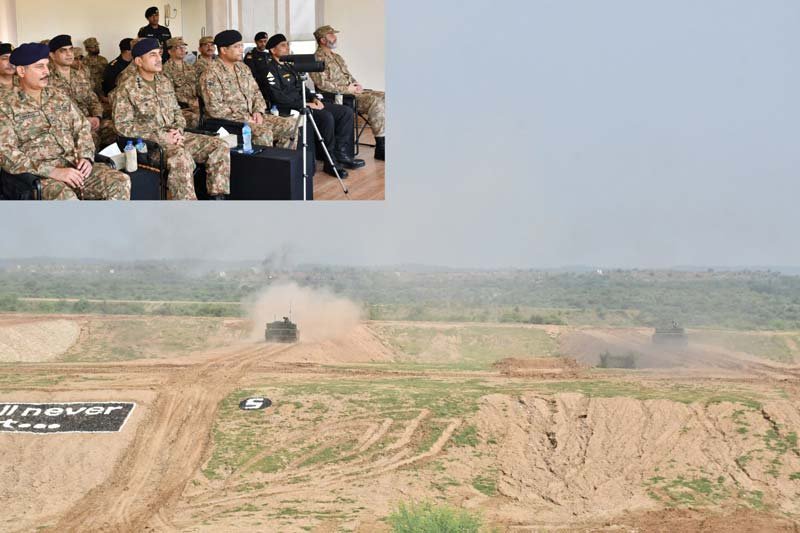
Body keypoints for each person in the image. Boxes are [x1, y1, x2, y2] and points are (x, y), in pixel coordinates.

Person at [0, 43, 130, 200]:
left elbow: (81, 127)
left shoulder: (58, 96)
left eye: (47, 66)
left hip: (74, 165)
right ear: (21, 71)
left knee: (120, 181)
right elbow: (6, 153)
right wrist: (52, 171)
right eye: (39, 67)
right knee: (66, 198)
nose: (46, 71)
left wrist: (86, 158)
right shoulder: (5, 105)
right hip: (41, 176)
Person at [113, 39, 231, 201]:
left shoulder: (164, 81)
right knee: (180, 158)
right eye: (152, 55)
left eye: (159, 54)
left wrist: (178, 130)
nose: (158, 58)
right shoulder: (127, 87)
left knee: (219, 145)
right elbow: (122, 127)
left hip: (176, 136)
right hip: (150, 146)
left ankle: (217, 197)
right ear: (139, 61)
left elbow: (177, 112)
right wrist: (162, 137)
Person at [265, 34, 364, 177]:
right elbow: (278, 97)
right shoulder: (270, 70)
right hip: (289, 108)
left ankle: (341, 153)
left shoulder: (290, 66)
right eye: (283, 45)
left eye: (287, 44)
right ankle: (330, 163)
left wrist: (314, 98)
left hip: (306, 102)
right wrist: (306, 103)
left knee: (345, 112)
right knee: (326, 117)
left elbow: (303, 88)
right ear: (273, 50)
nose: (287, 47)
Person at [200, 30, 297, 148]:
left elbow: (256, 92)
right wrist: (246, 118)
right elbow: (215, 108)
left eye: (241, 45)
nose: (241, 49)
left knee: (290, 125)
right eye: (236, 46)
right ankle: (266, 165)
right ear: (223, 50)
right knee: (263, 132)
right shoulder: (211, 73)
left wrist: (258, 111)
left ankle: (284, 163)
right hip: (229, 122)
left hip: (252, 117)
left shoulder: (243, 68)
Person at [311, 25, 385, 161]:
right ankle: (381, 147)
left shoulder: (337, 57)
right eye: (331, 35)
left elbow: (348, 76)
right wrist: (347, 89)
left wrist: (356, 85)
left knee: (384, 96)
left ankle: (384, 141)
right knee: (376, 101)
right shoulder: (316, 59)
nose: (335, 37)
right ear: (322, 40)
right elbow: (322, 85)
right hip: (338, 97)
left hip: (352, 93)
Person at [47, 34, 114, 147]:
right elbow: (52, 112)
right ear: (52, 55)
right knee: (90, 137)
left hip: (90, 121)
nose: (69, 54)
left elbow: (93, 100)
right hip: (68, 127)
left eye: (71, 50)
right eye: (63, 51)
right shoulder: (47, 80)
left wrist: (97, 117)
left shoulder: (80, 75)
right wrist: (84, 120)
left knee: (116, 128)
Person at [162, 37, 200, 128]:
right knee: (196, 119)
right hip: (180, 106)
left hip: (195, 104)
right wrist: (190, 102)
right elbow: (169, 93)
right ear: (170, 51)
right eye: (178, 48)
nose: (182, 50)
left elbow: (197, 85)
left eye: (184, 47)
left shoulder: (190, 67)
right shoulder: (165, 69)